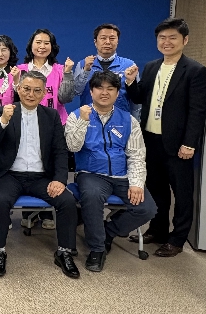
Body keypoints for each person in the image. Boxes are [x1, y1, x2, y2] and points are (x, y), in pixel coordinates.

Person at [125, 18, 206, 258]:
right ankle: (158, 230)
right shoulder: (152, 67)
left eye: (172, 37)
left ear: (185, 40)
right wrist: (131, 83)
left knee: (182, 193)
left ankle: (177, 239)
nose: (166, 42)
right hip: (151, 139)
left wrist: (190, 143)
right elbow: (140, 98)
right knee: (156, 189)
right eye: (162, 38)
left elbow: (197, 111)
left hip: (178, 143)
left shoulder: (195, 70)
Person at [0, 71, 79, 279]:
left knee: (67, 201)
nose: (31, 94)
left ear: (44, 93)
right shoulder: (5, 111)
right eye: (26, 89)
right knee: (0, 200)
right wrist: (3, 121)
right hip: (10, 175)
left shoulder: (51, 116)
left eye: (37, 90)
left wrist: (59, 180)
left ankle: (64, 252)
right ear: (18, 89)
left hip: (41, 177)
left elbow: (60, 151)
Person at [65, 70, 157, 271]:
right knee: (92, 197)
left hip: (122, 175)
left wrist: (136, 183)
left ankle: (108, 231)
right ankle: (97, 249)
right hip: (91, 173)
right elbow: (72, 147)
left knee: (147, 208)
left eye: (110, 88)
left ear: (117, 92)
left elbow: (136, 155)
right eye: (99, 88)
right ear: (91, 91)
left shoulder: (129, 120)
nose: (104, 92)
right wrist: (83, 121)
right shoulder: (76, 115)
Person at [16, 29, 74, 230]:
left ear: (52, 46)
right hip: (27, 121)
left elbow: (66, 98)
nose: (42, 46)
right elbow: (15, 97)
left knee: (48, 162)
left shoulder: (60, 69)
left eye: (46, 43)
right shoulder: (20, 69)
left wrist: (68, 74)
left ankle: (48, 211)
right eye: (38, 42)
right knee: (29, 157)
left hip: (55, 123)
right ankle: (28, 212)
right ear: (31, 45)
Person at [74, 23, 140, 119]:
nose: (108, 42)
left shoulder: (129, 66)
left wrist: (136, 121)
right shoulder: (83, 64)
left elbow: (136, 100)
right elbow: (76, 91)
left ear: (117, 41)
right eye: (103, 38)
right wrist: (85, 71)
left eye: (112, 38)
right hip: (89, 119)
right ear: (95, 42)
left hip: (120, 120)